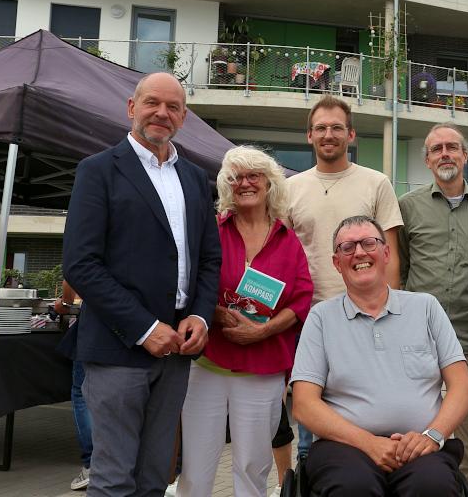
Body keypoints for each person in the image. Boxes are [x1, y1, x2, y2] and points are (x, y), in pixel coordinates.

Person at [61, 72, 222, 497]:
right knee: (114, 479)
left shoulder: (194, 178)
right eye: (152, 102)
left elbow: (209, 259)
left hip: (178, 350)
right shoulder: (97, 171)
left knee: (154, 478)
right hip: (118, 347)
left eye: (172, 107)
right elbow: (81, 264)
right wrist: (145, 329)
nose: (161, 113)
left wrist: (201, 317)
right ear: (132, 107)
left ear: (183, 117)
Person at [291, 215, 468, 496]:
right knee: (353, 487)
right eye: (347, 247)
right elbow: (303, 404)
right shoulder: (320, 318)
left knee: (432, 485)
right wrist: (368, 443)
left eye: (369, 243)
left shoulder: (426, 308)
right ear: (336, 263)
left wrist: (433, 435)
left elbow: (462, 387)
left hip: (420, 445)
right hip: (344, 447)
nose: (360, 252)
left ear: (386, 253)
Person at [177, 146, 312, 497]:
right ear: (226, 185)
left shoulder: (288, 239)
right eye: (236, 177)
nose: (245, 183)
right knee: (196, 466)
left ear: (269, 184)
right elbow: (190, 283)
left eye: (254, 176)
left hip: (261, 368)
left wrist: (262, 330)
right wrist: (217, 313)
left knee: (253, 466)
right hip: (208, 364)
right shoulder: (212, 231)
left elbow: (300, 300)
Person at [285, 95, 404, 463]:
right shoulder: (291, 189)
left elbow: (392, 255)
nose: (328, 134)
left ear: (351, 134)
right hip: (310, 322)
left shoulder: (376, 183)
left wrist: (393, 314)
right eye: (320, 128)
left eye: (337, 127)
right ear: (309, 136)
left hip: (368, 318)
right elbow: (284, 259)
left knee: (374, 419)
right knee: (311, 435)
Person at [398, 123, 468, 497]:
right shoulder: (407, 207)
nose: (445, 154)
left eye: (452, 147)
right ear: (427, 160)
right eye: (437, 149)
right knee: (414, 443)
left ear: (465, 156)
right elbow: (401, 270)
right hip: (416, 345)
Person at [53, 281, 93, 491]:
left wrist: (66, 302)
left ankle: (92, 466)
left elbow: (70, 276)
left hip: (94, 325)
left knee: (82, 394)